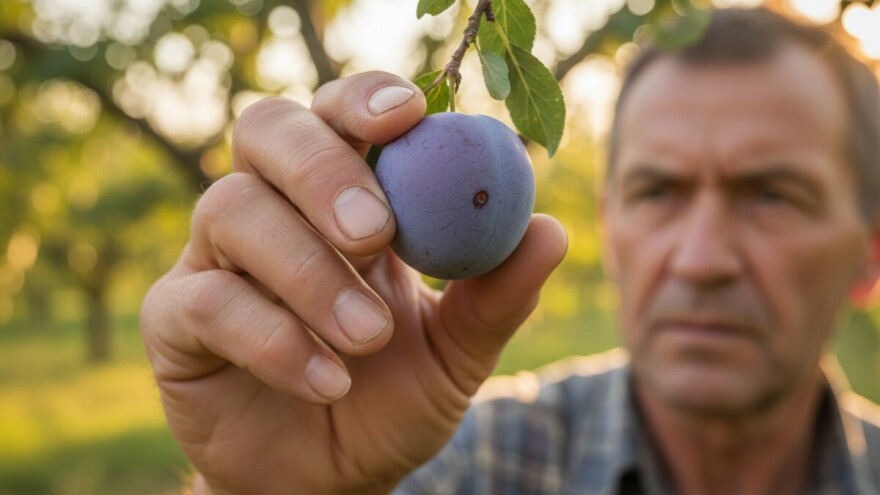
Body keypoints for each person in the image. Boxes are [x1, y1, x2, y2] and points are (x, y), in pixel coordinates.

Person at [140, 7, 880, 494]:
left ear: (870, 255)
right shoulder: (470, 464)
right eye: (657, 192)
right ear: (611, 228)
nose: (700, 257)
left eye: (773, 195)